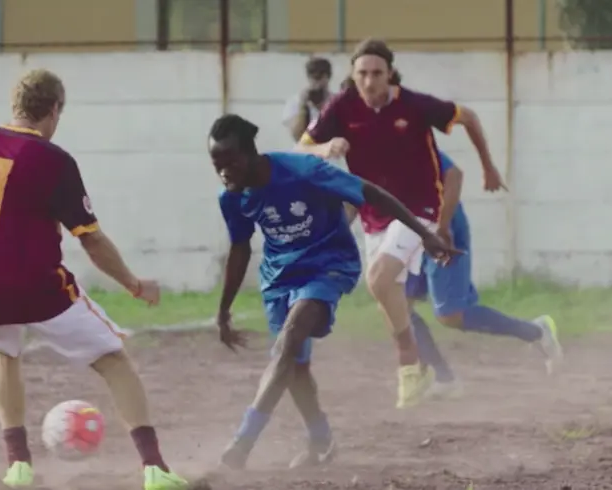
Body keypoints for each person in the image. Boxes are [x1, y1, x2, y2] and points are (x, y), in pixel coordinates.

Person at [0, 69, 188, 490]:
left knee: (2, 349)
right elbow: (92, 240)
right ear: (55, 108)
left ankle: (18, 466)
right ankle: (155, 469)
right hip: (37, 287)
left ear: (16, 105)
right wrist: (134, 285)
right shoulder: (54, 160)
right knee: (113, 357)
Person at [209, 114, 458, 470]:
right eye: (216, 165)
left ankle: (243, 442)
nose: (224, 172)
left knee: (289, 341)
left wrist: (425, 234)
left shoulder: (303, 170)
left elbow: (370, 192)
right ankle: (320, 438)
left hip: (329, 264)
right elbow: (239, 249)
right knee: (294, 367)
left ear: (250, 154)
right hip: (279, 279)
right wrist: (223, 310)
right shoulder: (231, 198)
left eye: (230, 162)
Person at [296, 38, 507, 409]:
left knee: (377, 279)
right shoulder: (342, 107)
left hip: (418, 208)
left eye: (377, 73)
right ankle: (427, 370)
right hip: (375, 214)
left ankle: (409, 364)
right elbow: (302, 146)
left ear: (389, 74)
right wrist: (323, 149)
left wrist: (488, 166)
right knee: (385, 293)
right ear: (353, 74)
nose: (369, 80)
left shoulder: (414, 105)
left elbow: (468, 117)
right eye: (362, 73)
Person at [406, 151, 563, 397]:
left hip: (438, 224)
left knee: (451, 315)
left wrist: (443, 227)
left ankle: (536, 331)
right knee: (396, 305)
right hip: (402, 226)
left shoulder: (406, 131)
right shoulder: (352, 138)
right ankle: (443, 378)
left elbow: (454, 174)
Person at [282, 57, 334, 142]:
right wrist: (303, 107)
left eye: (320, 77)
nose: (317, 82)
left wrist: (325, 108)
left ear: (328, 77)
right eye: (313, 77)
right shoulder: (296, 101)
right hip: (304, 151)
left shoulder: (336, 101)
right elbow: (297, 136)